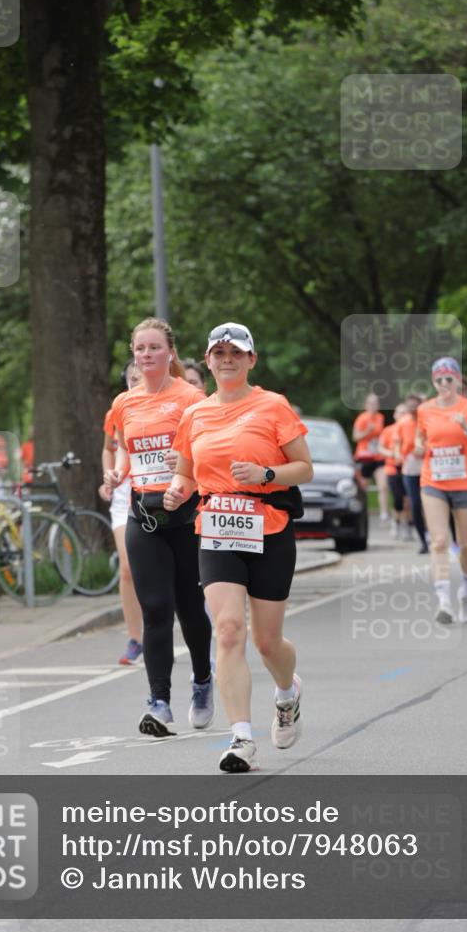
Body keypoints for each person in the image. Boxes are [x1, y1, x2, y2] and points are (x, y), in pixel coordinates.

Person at [164, 322, 313, 773]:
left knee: (267, 643)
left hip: (268, 527)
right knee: (228, 630)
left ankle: (287, 692)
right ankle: (242, 738)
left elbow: (304, 468)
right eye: (218, 352)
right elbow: (187, 473)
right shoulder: (195, 415)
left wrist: (266, 475)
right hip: (217, 528)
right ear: (207, 361)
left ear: (251, 359)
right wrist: (176, 490)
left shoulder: (273, 406)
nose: (226, 359)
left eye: (236, 352)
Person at [104, 318, 213, 735]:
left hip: (185, 516)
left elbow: (208, 453)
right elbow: (123, 452)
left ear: (171, 353)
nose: (146, 355)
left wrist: (184, 463)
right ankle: (160, 702)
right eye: (139, 348)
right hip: (143, 515)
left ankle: (202, 680)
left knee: (190, 609)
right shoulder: (124, 403)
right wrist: (117, 473)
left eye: (154, 348)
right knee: (155, 612)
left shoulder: (192, 398)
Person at [416, 358, 467, 624]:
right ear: (433, 382)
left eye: (449, 378)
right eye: (439, 379)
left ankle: (466, 593)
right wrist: (417, 447)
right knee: (439, 541)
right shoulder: (424, 410)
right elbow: (420, 439)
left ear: (458, 380)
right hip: (433, 481)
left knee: (466, 545)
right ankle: (444, 601)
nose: (444, 384)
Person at [100, 359, 144, 664]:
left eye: (141, 377)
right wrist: (109, 476)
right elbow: (109, 448)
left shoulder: (167, 408)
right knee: (128, 569)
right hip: (125, 495)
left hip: (156, 491)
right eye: (132, 378)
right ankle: (135, 639)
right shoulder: (117, 410)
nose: (136, 382)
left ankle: (158, 628)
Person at [394, 393, 428, 554]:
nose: (412, 410)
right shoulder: (402, 423)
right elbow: (396, 443)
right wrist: (397, 454)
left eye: (415, 407)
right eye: (410, 407)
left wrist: (425, 448)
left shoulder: (427, 421)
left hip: (427, 464)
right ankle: (423, 540)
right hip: (410, 467)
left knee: (429, 503)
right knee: (415, 504)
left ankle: (431, 534)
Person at [352, 394, 389, 522]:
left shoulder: (380, 417)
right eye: (371, 403)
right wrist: (367, 431)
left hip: (378, 456)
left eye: (376, 403)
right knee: (363, 488)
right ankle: (362, 513)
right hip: (364, 457)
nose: (374, 406)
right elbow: (355, 437)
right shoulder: (362, 418)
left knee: (383, 486)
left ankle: (384, 514)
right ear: (366, 405)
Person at [378, 404, 409, 539]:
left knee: (408, 499)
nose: (402, 416)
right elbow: (380, 448)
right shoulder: (388, 430)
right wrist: (392, 454)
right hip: (392, 468)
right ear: (395, 415)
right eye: (400, 413)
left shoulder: (412, 429)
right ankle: (395, 522)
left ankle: (407, 524)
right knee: (397, 499)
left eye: (405, 413)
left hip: (408, 468)